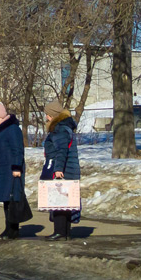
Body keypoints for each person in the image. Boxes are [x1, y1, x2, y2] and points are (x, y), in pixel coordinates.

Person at [41, 96, 81, 241]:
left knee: (58, 201)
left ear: (52, 115)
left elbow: (61, 150)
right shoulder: (65, 127)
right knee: (65, 202)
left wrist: (58, 169)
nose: (46, 117)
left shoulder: (60, 129)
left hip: (64, 169)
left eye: (47, 114)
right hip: (69, 168)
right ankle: (65, 233)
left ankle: (59, 232)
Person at [0, 102, 26, 240]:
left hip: (11, 171)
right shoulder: (1, 131)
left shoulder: (12, 130)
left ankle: (12, 231)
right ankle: (8, 229)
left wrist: (17, 168)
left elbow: (17, 150)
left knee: (12, 200)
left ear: (1, 116)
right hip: (2, 170)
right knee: (6, 200)